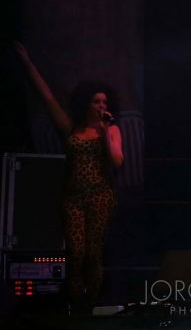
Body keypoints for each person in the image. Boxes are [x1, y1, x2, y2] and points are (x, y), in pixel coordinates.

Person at [14, 42, 124, 314]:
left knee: (93, 252)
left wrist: (106, 131)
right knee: (74, 252)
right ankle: (75, 304)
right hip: (73, 197)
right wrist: (28, 63)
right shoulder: (72, 128)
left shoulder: (111, 130)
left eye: (104, 102)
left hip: (100, 195)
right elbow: (48, 98)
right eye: (96, 101)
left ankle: (89, 304)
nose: (101, 105)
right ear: (87, 103)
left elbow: (117, 161)